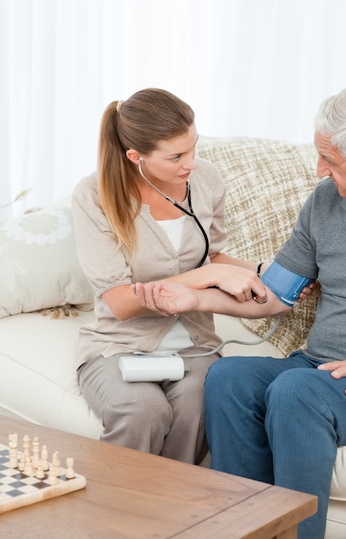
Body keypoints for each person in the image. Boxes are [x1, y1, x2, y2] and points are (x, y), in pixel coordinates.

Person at [133, 86, 346, 538]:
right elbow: (277, 295)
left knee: (296, 392)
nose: (319, 170)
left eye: (330, 161)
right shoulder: (327, 201)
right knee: (227, 379)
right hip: (321, 367)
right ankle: (243, 531)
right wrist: (196, 297)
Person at [71, 87, 271, 464]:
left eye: (194, 148)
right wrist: (205, 276)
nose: (191, 163)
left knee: (199, 405)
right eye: (176, 156)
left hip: (198, 344)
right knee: (142, 411)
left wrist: (266, 272)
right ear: (136, 157)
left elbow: (213, 254)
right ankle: (119, 516)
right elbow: (120, 301)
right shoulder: (94, 196)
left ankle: (175, 514)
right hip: (120, 343)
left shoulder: (206, 180)